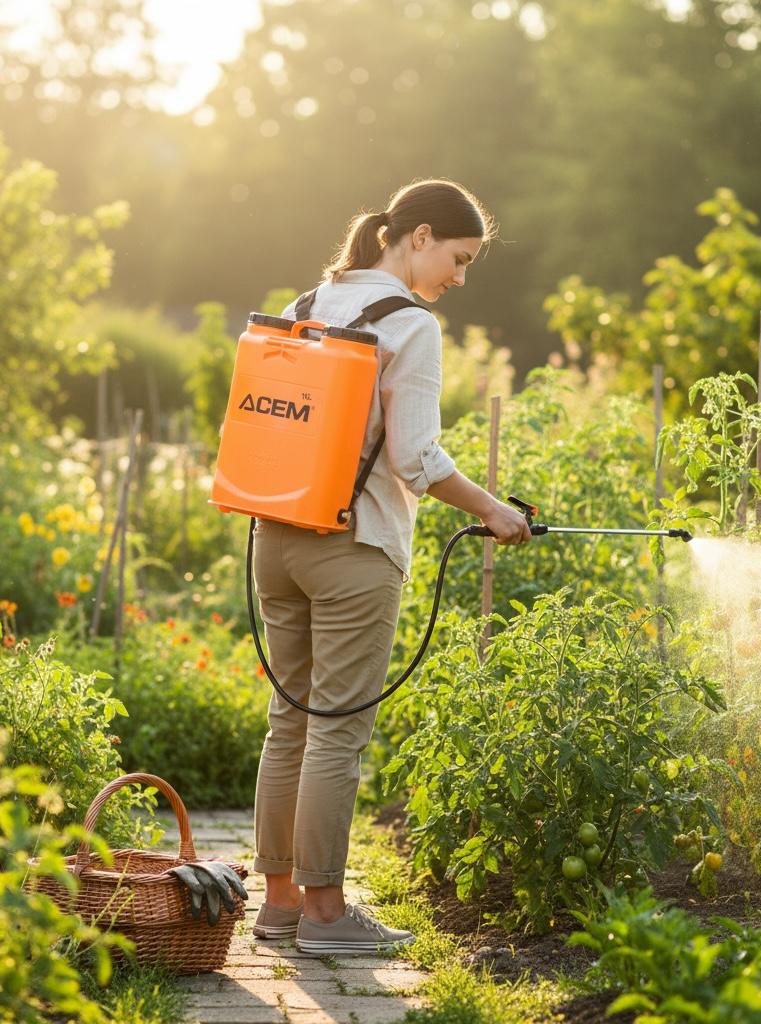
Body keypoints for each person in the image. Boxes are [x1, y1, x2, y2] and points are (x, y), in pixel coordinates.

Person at [250, 178, 532, 955]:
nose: (460, 276)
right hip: (354, 546)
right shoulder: (409, 325)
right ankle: (328, 917)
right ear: (418, 237)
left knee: (289, 722)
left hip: (274, 536)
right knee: (336, 732)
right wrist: (491, 509)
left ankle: (278, 905)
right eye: (459, 256)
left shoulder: (309, 303)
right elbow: (415, 457)